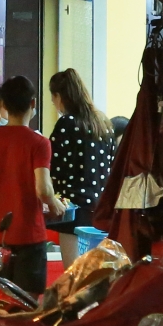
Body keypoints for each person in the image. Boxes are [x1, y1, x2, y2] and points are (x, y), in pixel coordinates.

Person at [0, 75, 66, 296]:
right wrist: (54, 206)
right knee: (27, 302)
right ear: (32, 103)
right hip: (28, 234)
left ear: (3, 105)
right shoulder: (39, 143)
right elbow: (43, 189)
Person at [47, 68, 119, 264]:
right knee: (94, 271)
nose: (53, 103)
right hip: (99, 208)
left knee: (74, 274)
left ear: (59, 96)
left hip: (72, 211)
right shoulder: (102, 123)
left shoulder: (66, 124)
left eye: (53, 98)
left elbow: (53, 166)